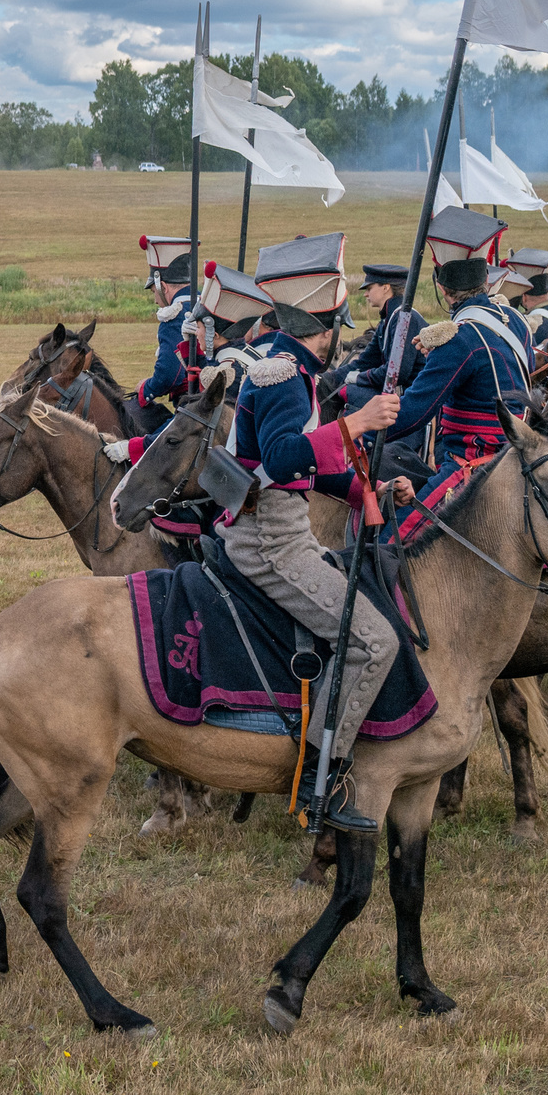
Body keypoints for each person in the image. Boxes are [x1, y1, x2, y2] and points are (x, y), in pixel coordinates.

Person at [216, 234, 402, 836]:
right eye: (335, 330)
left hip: (281, 525)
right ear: (321, 327)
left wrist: (365, 492)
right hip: (271, 539)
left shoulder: (285, 367)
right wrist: (357, 421)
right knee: (375, 643)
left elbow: (308, 468)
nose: (336, 341)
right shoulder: (282, 374)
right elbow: (283, 456)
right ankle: (321, 783)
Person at [388, 209, 528, 490]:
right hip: (519, 454)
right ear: (485, 279)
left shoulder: (458, 340)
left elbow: (414, 413)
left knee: (400, 530)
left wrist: (358, 431)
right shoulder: (514, 319)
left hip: (474, 461)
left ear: (442, 286)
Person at [329, 261, 424, 425]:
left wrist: (360, 378)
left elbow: (397, 374)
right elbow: (365, 361)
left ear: (386, 287)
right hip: (401, 397)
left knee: (351, 393)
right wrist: (327, 379)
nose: (366, 294)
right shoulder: (389, 320)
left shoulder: (404, 319)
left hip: (414, 402)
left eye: (369, 288)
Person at [130, 234, 199, 428]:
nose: (155, 300)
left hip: (193, 408)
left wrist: (145, 390)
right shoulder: (204, 304)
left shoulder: (174, 316)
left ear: (163, 286)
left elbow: (170, 374)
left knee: (148, 450)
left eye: (154, 292)